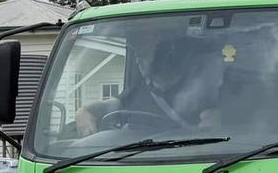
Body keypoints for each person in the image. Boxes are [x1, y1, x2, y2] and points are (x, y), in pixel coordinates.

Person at [75, 37, 219, 136]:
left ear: (163, 59)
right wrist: (84, 112)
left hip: (183, 159)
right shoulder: (140, 89)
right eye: (138, 56)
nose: (138, 60)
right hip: (138, 158)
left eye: (144, 55)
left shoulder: (198, 91)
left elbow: (211, 128)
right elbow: (108, 106)